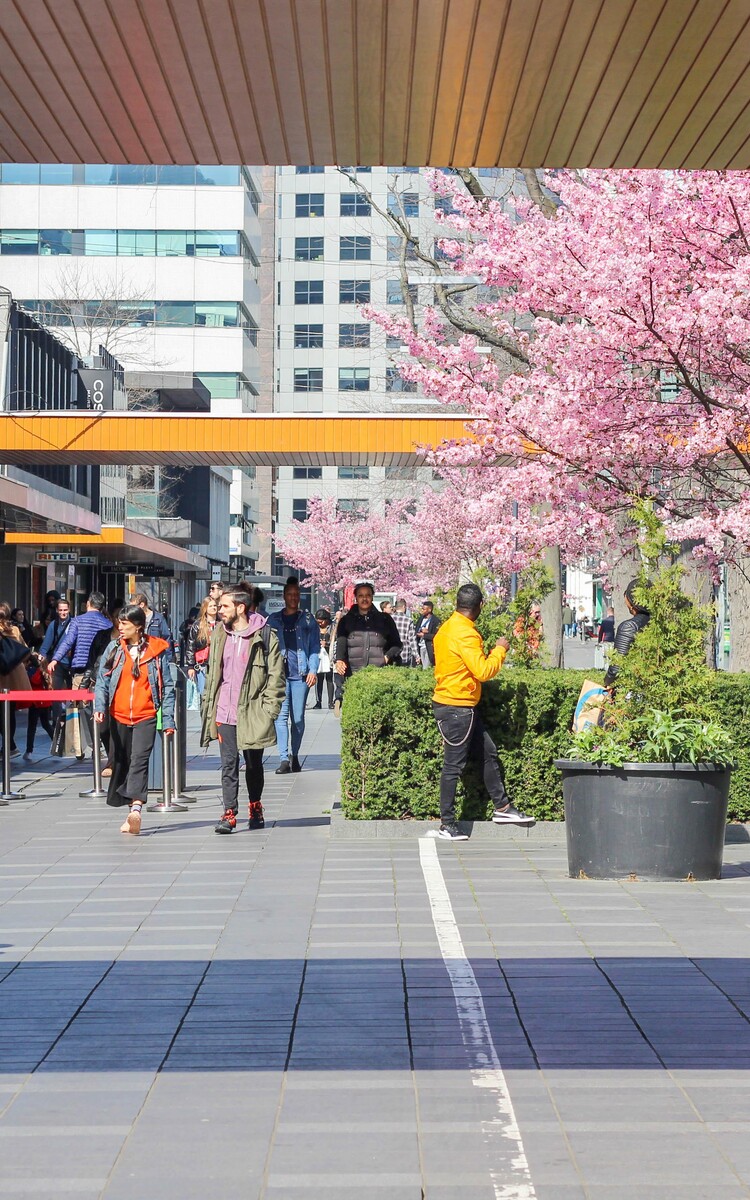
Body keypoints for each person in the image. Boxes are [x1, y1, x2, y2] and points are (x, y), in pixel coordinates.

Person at [432, 582, 534, 840]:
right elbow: (483, 671)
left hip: (459, 705)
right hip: (457, 706)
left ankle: (503, 807)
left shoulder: (447, 628)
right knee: (453, 766)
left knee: (488, 753)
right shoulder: (465, 633)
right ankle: (447, 823)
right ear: (479, 606)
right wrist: (500, 649)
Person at [201, 588, 285, 835]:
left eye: (224, 606)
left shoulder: (266, 635)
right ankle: (229, 813)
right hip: (224, 712)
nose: (219, 611)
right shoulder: (219, 634)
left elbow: (276, 676)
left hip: (253, 712)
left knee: (253, 764)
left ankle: (255, 806)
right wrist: (210, 705)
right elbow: (214, 672)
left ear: (240, 607)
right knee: (228, 763)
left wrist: (269, 710)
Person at [94, 605, 175, 835]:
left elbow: (167, 686)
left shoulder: (156, 652)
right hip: (118, 716)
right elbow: (102, 681)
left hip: (146, 715)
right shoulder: (114, 649)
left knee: (139, 760)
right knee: (123, 763)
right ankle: (131, 813)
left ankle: (137, 809)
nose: (120, 627)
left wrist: (168, 720)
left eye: (125, 624)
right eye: (119, 623)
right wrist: (100, 707)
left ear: (138, 626)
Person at [47, 592, 112, 760]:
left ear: (88, 603)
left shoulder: (77, 621)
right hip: (101, 671)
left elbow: (67, 642)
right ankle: (98, 743)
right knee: (98, 706)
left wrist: (55, 659)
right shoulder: (107, 623)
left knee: (78, 708)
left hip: (80, 670)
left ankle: (79, 748)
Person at [268, 577, 320, 774]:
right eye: (289, 594)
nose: (293, 598)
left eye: (296, 595)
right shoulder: (273, 620)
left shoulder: (307, 620)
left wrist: (313, 669)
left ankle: (294, 755)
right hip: (279, 677)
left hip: (300, 675)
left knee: (297, 719)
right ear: (284, 597)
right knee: (280, 718)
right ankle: (283, 758)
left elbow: (314, 646)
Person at [334, 583, 402, 701]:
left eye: (368, 595)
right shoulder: (346, 620)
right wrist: (339, 660)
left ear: (372, 597)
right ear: (356, 598)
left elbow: (397, 644)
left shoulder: (385, 619)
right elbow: (341, 643)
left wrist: (386, 656)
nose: (364, 599)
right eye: (361, 595)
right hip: (354, 675)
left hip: (379, 675)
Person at [603, 581, 650, 688]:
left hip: (633, 690)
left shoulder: (629, 627)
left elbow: (616, 668)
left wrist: (606, 684)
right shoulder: (663, 623)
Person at [0, 603, 31, 757]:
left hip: (2, 675)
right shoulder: (15, 630)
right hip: (14, 674)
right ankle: (9, 745)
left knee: (2, 712)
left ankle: (9, 746)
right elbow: (25, 651)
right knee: (9, 712)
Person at [37, 597, 72, 727]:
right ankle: (57, 720)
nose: (63, 613)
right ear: (57, 611)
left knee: (72, 692)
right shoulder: (54, 624)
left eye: (65, 610)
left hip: (71, 662)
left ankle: (72, 719)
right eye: (61, 610)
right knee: (56, 691)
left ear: (69, 610)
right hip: (57, 662)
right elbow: (46, 644)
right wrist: (41, 656)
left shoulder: (74, 623)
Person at [185, 596, 218, 695]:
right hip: (203, 665)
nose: (214, 608)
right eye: (210, 606)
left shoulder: (222, 624)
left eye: (215, 605)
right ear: (205, 608)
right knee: (203, 693)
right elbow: (191, 645)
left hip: (218, 664)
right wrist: (190, 666)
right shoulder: (198, 625)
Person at [134, 592, 174, 658]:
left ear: (142, 604)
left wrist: (167, 658)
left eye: (134, 607)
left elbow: (166, 638)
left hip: (155, 656)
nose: (132, 610)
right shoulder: (134, 619)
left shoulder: (158, 619)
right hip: (138, 656)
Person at [312, 608, 334, 709]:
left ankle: (330, 702)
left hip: (329, 655)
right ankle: (318, 701)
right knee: (319, 679)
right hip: (318, 655)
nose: (320, 624)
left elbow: (336, 641)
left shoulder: (332, 627)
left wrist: (327, 644)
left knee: (329, 679)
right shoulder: (314, 628)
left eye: (321, 622)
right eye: (318, 622)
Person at [392, 599, 419, 667]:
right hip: (405, 653)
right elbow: (412, 639)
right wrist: (416, 655)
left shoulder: (390, 618)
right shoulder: (408, 620)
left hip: (391, 653)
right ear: (404, 607)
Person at [416, 600, 440, 668]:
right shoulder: (420, 619)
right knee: (422, 666)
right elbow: (415, 630)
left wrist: (425, 635)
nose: (422, 610)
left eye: (424, 609)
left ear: (429, 610)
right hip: (420, 646)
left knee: (426, 667)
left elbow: (436, 635)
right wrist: (420, 630)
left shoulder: (435, 621)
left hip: (429, 647)